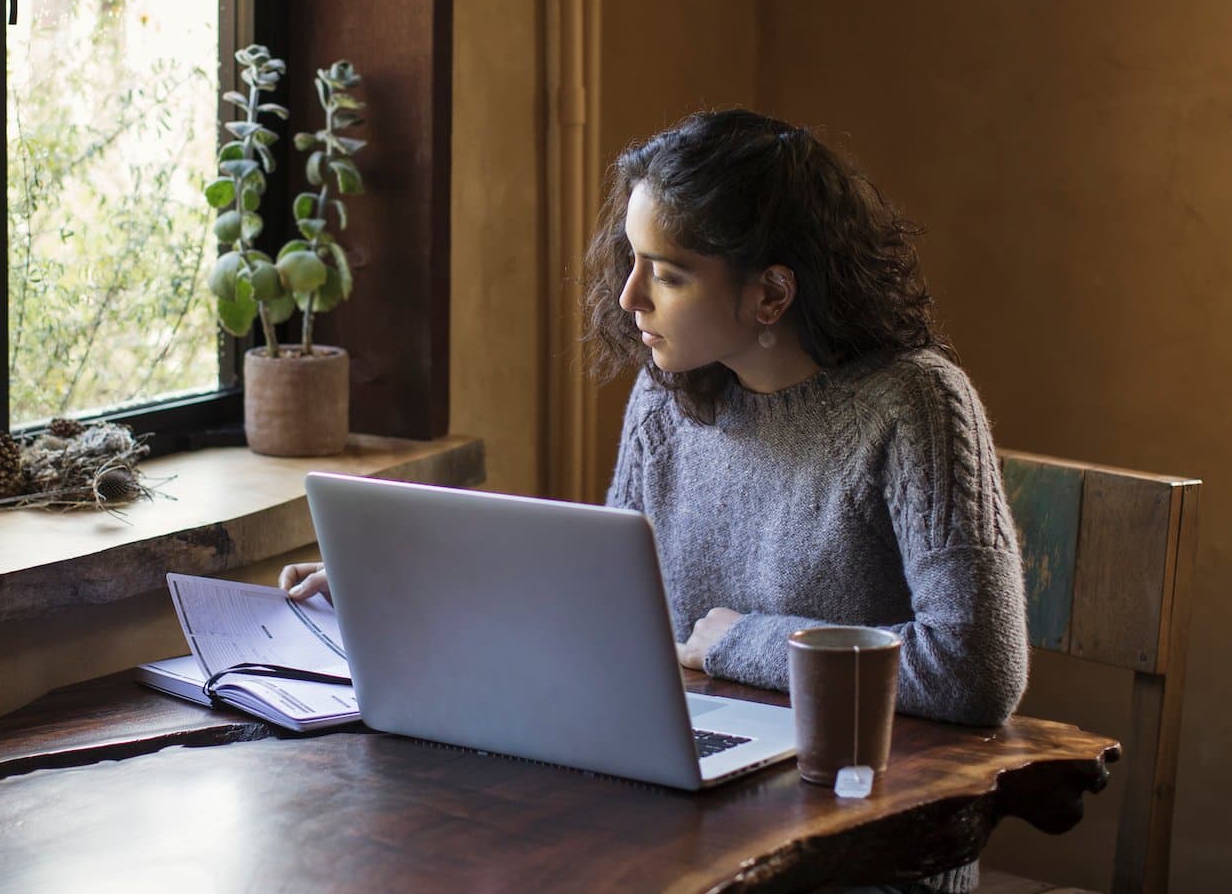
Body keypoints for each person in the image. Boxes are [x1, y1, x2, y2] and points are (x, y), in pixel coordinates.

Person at [282, 109, 1027, 893]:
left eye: (668, 274)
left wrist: (745, 641)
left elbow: (974, 669)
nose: (631, 295)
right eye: (633, 261)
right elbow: (613, 610)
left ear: (771, 293)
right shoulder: (667, 394)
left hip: (858, 844)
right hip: (689, 811)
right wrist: (406, 588)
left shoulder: (914, 406)